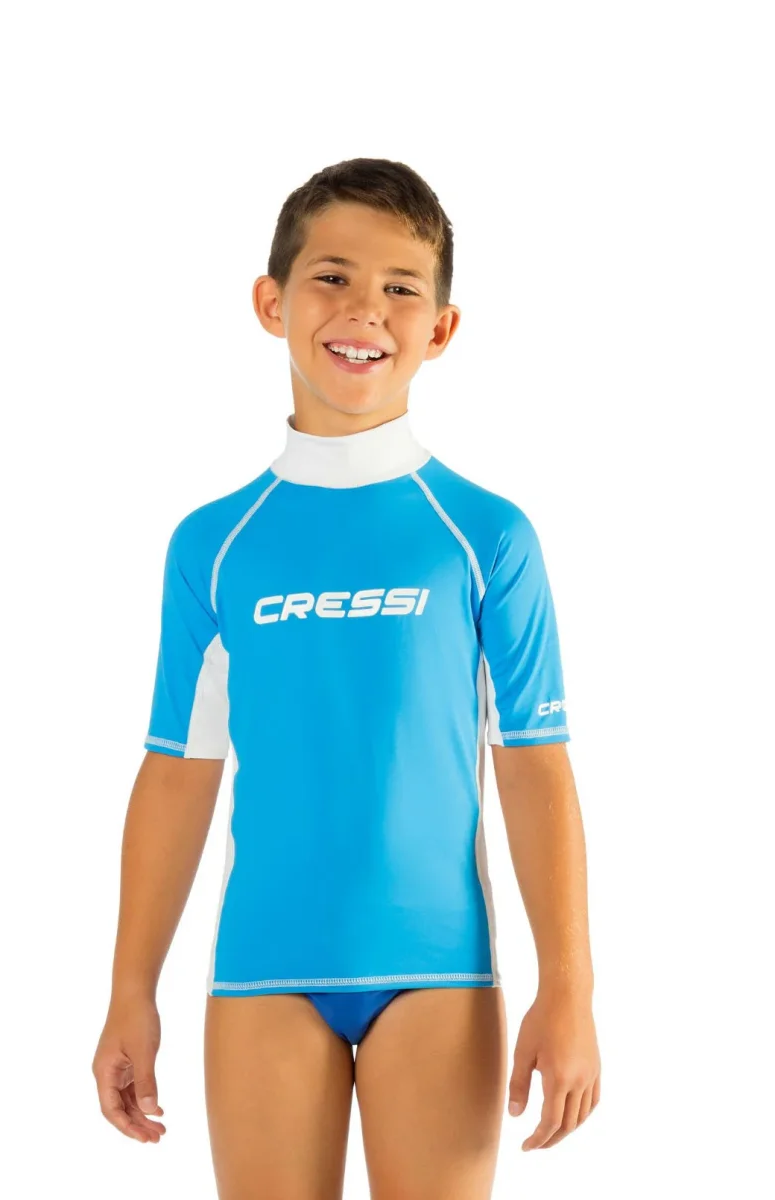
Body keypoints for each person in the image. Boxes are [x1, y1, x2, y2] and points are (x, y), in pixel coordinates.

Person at [92, 157, 601, 1198]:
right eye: (331, 277)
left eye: (400, 287)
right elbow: (178, 771)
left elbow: (533, 764)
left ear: (440, 329)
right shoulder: (214, 546)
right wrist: (128, 990)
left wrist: (569, 988)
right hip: (262, 969)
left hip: (437, 969)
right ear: (270, 303)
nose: (365, 309)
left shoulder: (483, 537)